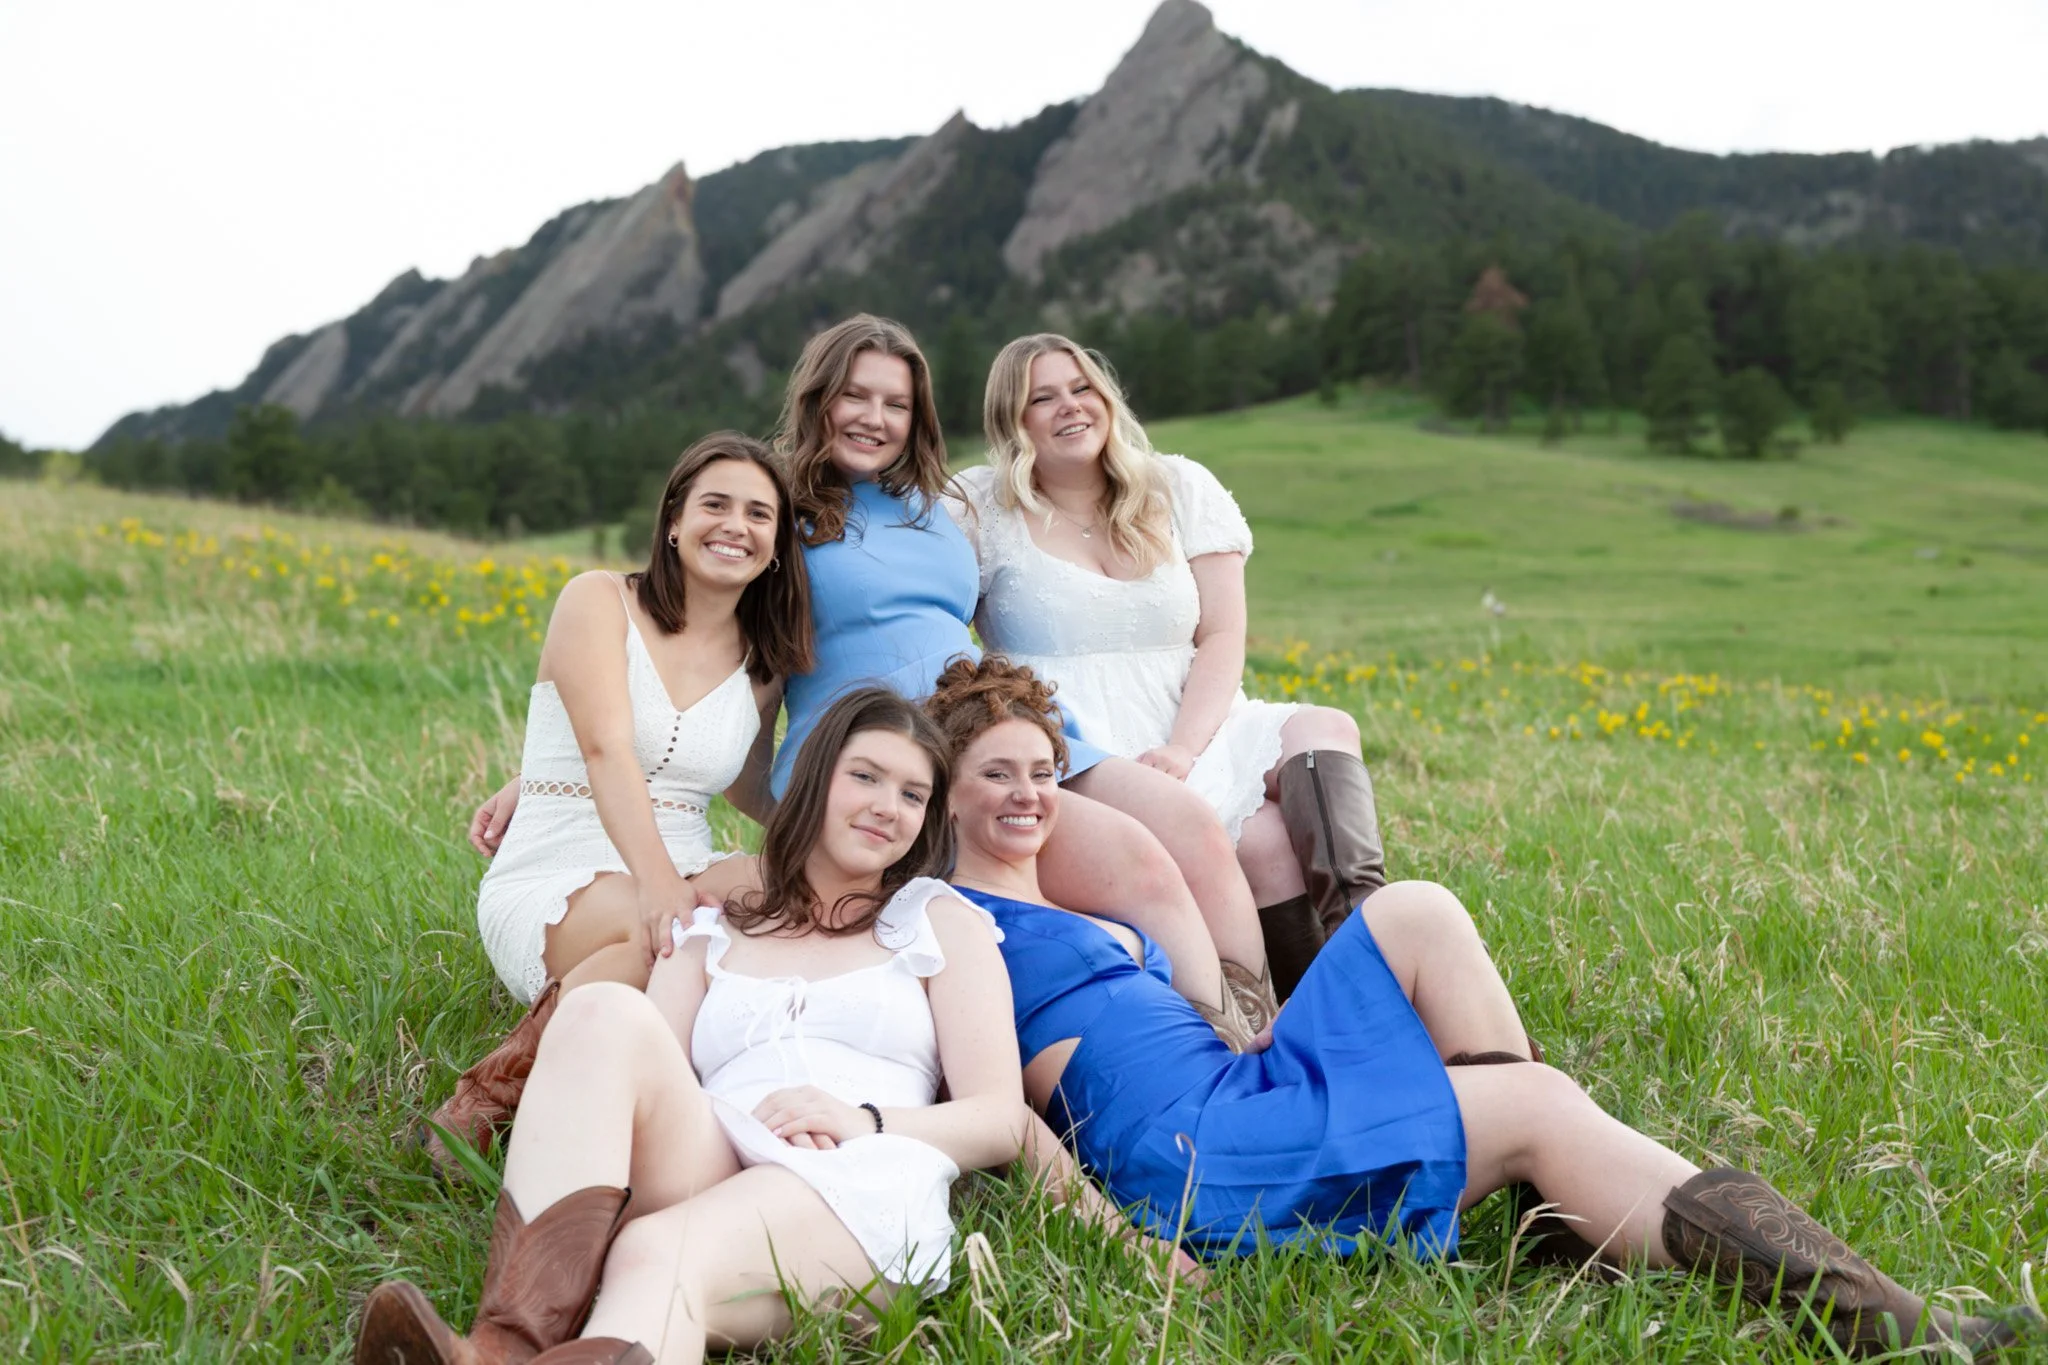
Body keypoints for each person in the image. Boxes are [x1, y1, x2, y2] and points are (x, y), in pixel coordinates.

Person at [923, 654, 2031, 1357]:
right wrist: (1124, 1245)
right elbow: (1003, 1112)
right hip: (1196, 1153)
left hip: (1232, 1078)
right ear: (948, 795)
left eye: (1043, 771)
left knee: (1412, 907)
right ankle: (1887, 1323)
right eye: (996, 775)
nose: (1029, 795)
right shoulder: (957, 920)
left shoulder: (1060, 897)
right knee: (1539, 1103)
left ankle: (1554, 1198)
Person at [473, 316, 1274, 1044]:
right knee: (1103, 886)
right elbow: (683, 637)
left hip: (992, 719)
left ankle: (1254, 1033)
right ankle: (1189, 1057)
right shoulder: (777, 509)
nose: (874, 417)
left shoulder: (938, 503)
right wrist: (553, 771)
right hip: (887, 746)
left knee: (1174, 835)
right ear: (818, 400)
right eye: (854, 395)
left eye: (896, 403)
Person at [356, 687, 1024, 1365]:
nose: (888, 805)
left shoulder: (938, 922)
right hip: (716, 1153)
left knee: (656, 1251)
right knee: (600, 1009)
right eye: (866, 776)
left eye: (913, 795)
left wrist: (863, 1119)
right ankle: (505, 1341)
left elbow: (1001, 1118)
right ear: (817, 779)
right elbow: (646, 1082)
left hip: (854, 1178)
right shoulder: (713, 929)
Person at [957, 333, 1388, 1000]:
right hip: (1084, 743)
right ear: (1012, 422)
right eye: (1042, 398)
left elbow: (1222, 633)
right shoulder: (979, 506)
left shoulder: (1177, 485)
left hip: (1196, 719)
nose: (1070, 406)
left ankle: (1372, 946)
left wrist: (1185, 747)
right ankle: (1302, 1014)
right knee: (1267, 845)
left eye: (1082, 388)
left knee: (1327, 725)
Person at [426, 433, 811, 1173]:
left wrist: (830, 841)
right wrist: (659, 884)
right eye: (716, 504)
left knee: (785, 890)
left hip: (683, 863)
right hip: (562, 863)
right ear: (674, 520)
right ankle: (487, 1095)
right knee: (670, 929)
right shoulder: (599, 599)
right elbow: (606, 747)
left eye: (759, 514)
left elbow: (745, 782)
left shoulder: (763, 662)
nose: (736, 525)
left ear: (775, 545)